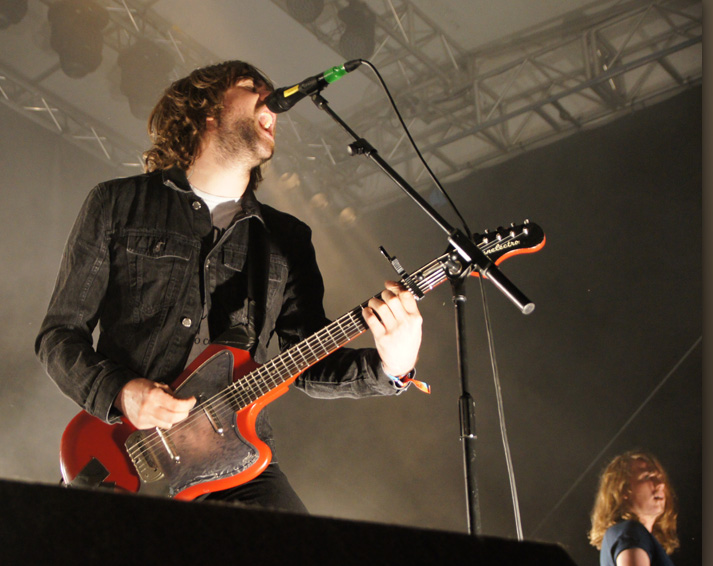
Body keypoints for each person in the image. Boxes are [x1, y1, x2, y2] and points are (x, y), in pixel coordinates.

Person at [35, 60, 423, 513]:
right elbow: (58, 336)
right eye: (251, 86)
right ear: (206, 111)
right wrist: (122, 393)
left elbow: (308, 361)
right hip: (127, 457)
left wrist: (394, 367)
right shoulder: (119, 204)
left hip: (234, 458)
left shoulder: (286, 238)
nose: (270, 99)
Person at [589, 450, 684, 566]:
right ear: (623, 489)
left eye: (660, 478)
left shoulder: (626, 534)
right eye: (647, 477)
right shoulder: (629, 530)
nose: (661, 484)